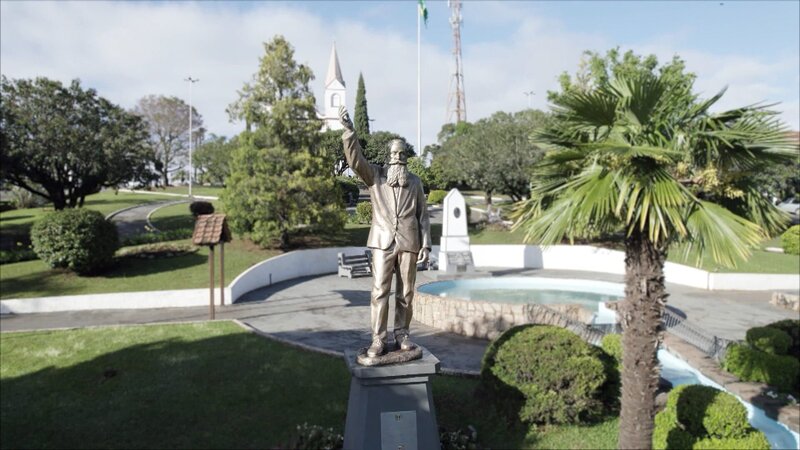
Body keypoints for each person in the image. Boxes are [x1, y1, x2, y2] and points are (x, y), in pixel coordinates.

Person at [338, 105, 431, 357]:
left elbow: (423, 215)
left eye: (402, 154)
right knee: (380, 291)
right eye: (394, 154)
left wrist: (426, 245)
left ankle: (402, 334)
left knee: (406, 293)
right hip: (382, 243)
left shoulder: (415, 182)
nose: (398, 158)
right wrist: (349, 132)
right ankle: (378, 339)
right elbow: (355, 161)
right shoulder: (375, 177)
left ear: (406, 157)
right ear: (388, 156)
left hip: (409, 242)